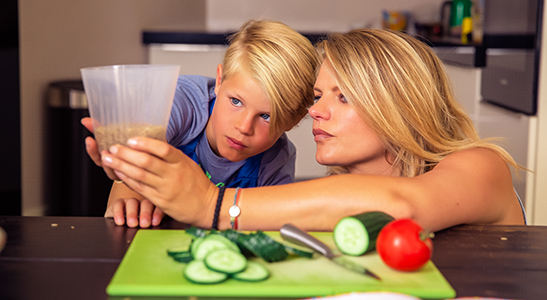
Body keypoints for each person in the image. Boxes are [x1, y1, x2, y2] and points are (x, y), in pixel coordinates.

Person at [96, 28, 526, 232]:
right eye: (318, 96)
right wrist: (133, 172)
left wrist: (211, 202)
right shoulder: (334, 196)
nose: (315, 112)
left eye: (342, 97)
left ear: (398, 106)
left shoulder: (480, 166)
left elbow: (402, 206)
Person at [81, 19, 320, 228]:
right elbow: (141, 147)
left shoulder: (276, 161)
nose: (244, 127)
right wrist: (130, 177)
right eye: (236, 101)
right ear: (219, 81)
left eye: (266, 116)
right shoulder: (181, 99)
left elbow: (270, 226)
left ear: (294, 120)